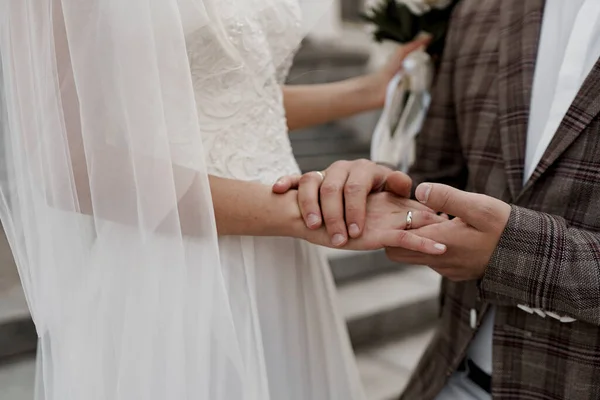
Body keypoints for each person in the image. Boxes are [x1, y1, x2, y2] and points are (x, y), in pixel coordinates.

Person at [0, 1, 442, 399]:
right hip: (179, 264)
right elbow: (65, 167)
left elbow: (234, 98)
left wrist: (369, 92)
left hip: (284, 257)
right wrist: (307, 213)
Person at [281, 0, 600, 398]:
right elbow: (437, 174)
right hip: (451, 376)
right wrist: (385, 189)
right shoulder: (477, 10)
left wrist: (514, 251)